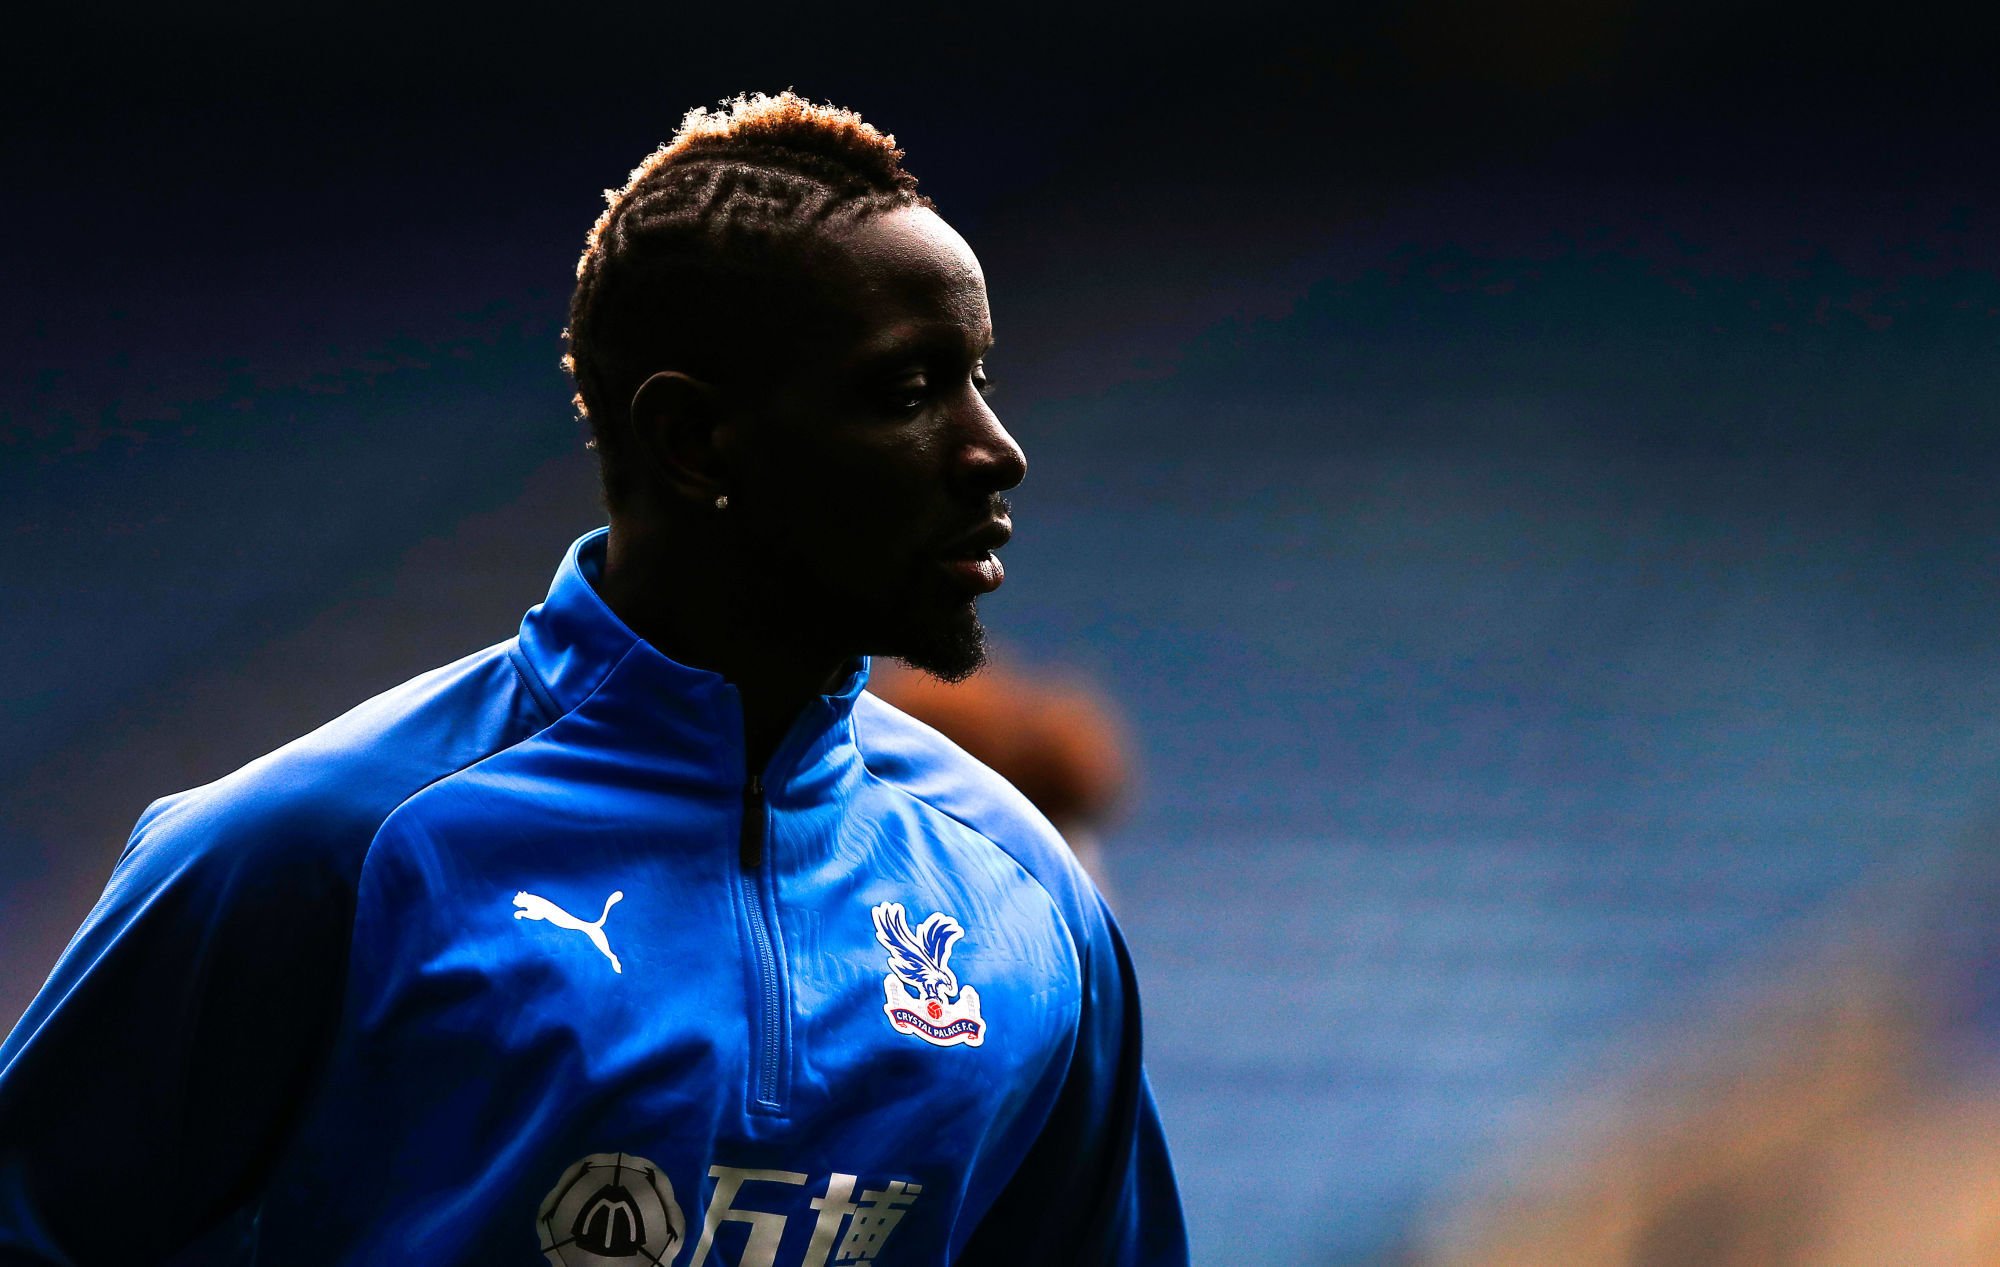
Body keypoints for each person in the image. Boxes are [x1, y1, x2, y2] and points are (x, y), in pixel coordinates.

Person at [0, 92, 1187, 1266]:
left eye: (979, 379)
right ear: (693, 441)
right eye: (908, 391)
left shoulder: (1031, 898)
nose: (995, 451)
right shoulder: (320, 852)